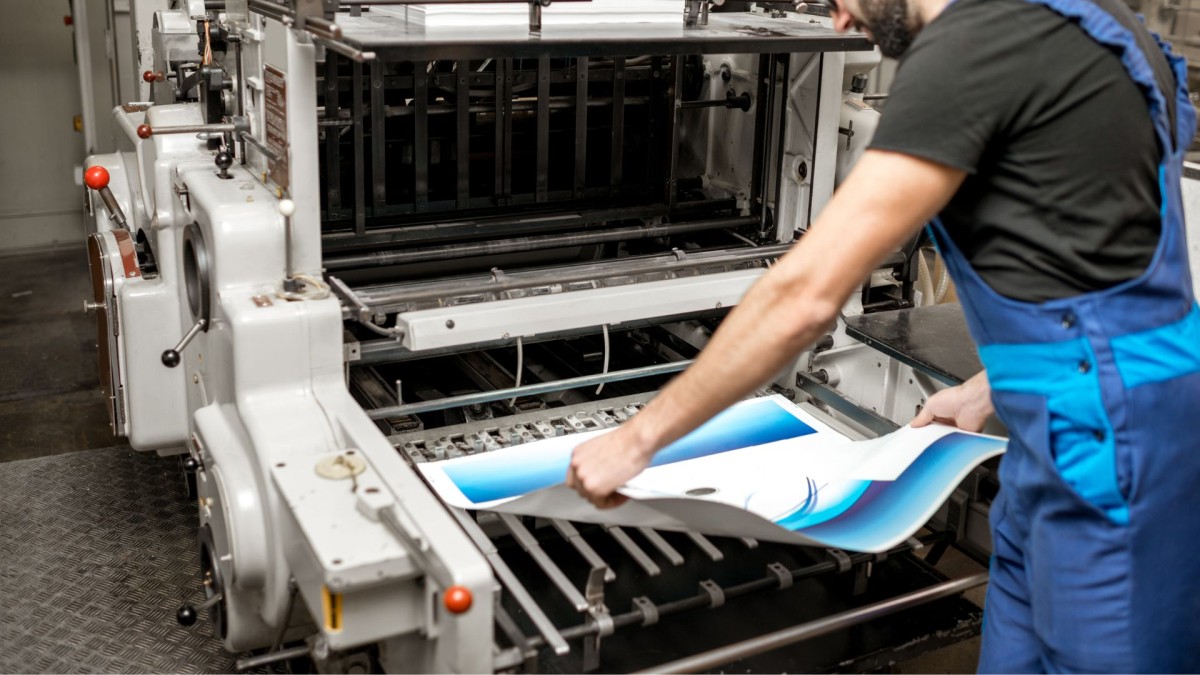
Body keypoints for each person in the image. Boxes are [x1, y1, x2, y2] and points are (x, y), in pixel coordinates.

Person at [566, 0, 1200, 670]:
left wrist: (636, 441)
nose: (838, 22)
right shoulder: (1087, 18)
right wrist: (994, 385)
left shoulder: (970, 47)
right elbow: (1094, 250)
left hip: (1114, 451)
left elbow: (804, 298)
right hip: (1063, 428)